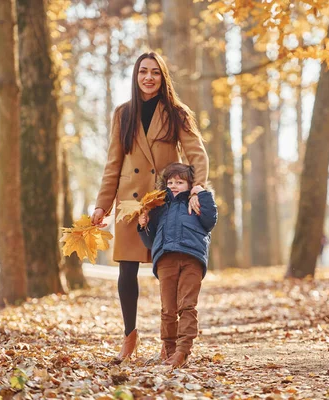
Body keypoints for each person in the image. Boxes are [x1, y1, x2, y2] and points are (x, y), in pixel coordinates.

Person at [91, 52, 209, 360]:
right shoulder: (123, 114)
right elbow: (113, 164)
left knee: (168, 273)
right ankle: (129, 338)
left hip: (165, 203)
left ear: (163, 77)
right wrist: (102, 205)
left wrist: (196, 187)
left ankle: (170, 343)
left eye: (155, 72)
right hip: (130, 205)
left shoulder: (177, 112)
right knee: (126, 272)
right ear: (135, 75)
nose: (148, 77)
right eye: (143, 71)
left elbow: (197, 153)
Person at [138, 163, 217, 367]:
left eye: (180, 182)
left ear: (189, 184)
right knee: (168, 309)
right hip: (166, 259)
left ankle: (183, 351)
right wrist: (143, 225)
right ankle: (170, 350)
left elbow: (210, 220)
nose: (174, 186)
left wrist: (201, 193)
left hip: (192, 258)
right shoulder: (159, 206)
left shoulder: (196, 202)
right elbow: (150, 240)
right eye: (170, 182)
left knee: (187, 305)